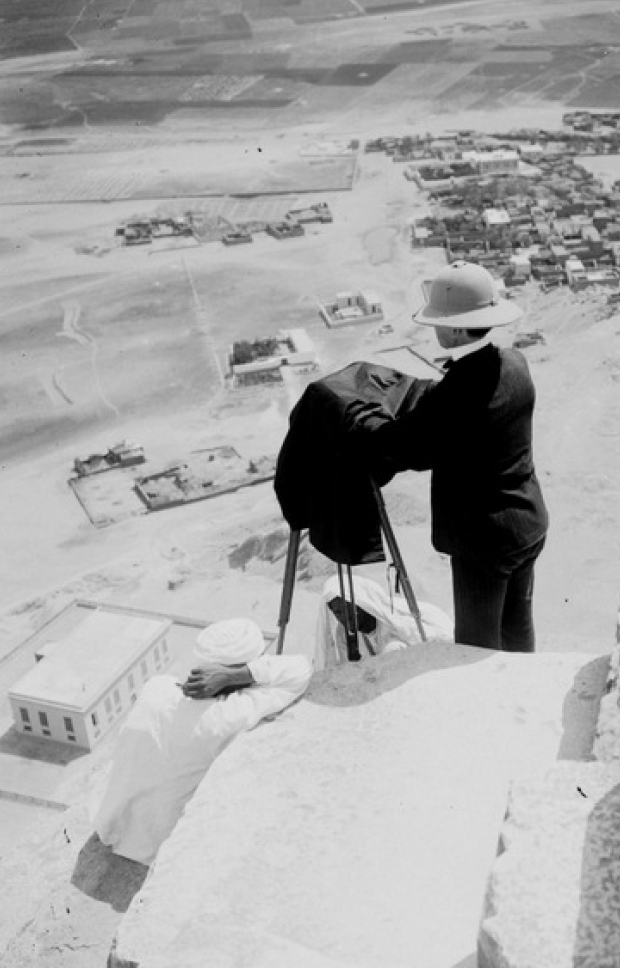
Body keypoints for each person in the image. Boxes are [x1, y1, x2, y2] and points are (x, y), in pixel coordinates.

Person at [355, 261, 548, 653]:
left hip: (485, 541)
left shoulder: (457, 393)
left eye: (437, 322)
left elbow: (406, 446)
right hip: (527, 521)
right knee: (516, 630)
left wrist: (362, 421)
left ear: (458, 327)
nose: (433, 329)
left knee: (475, 648)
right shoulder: (515, 363)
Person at [91, 618, 312, 865]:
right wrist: (237, 676)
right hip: (155, 847)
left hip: (111, 825)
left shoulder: (157, 688)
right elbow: (301, 669)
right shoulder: (229, 716)